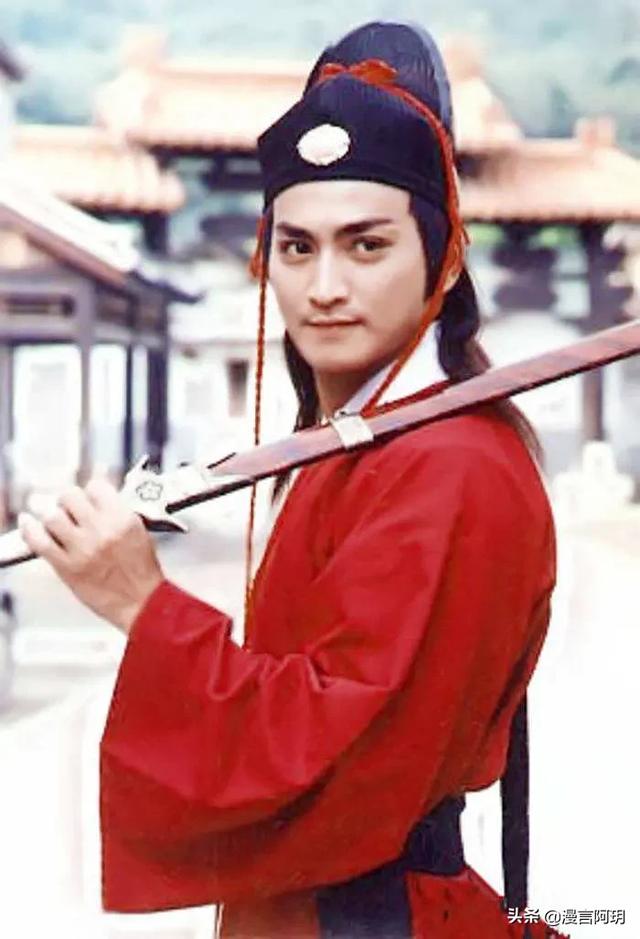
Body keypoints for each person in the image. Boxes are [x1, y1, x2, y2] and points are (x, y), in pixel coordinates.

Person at [18, 21, 570, 939]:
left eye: (367, 245)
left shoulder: (455, 466)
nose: (324, 287)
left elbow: (341, 745)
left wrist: (144, 605)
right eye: (298, 247)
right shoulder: (361, 441)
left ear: (443, 260)